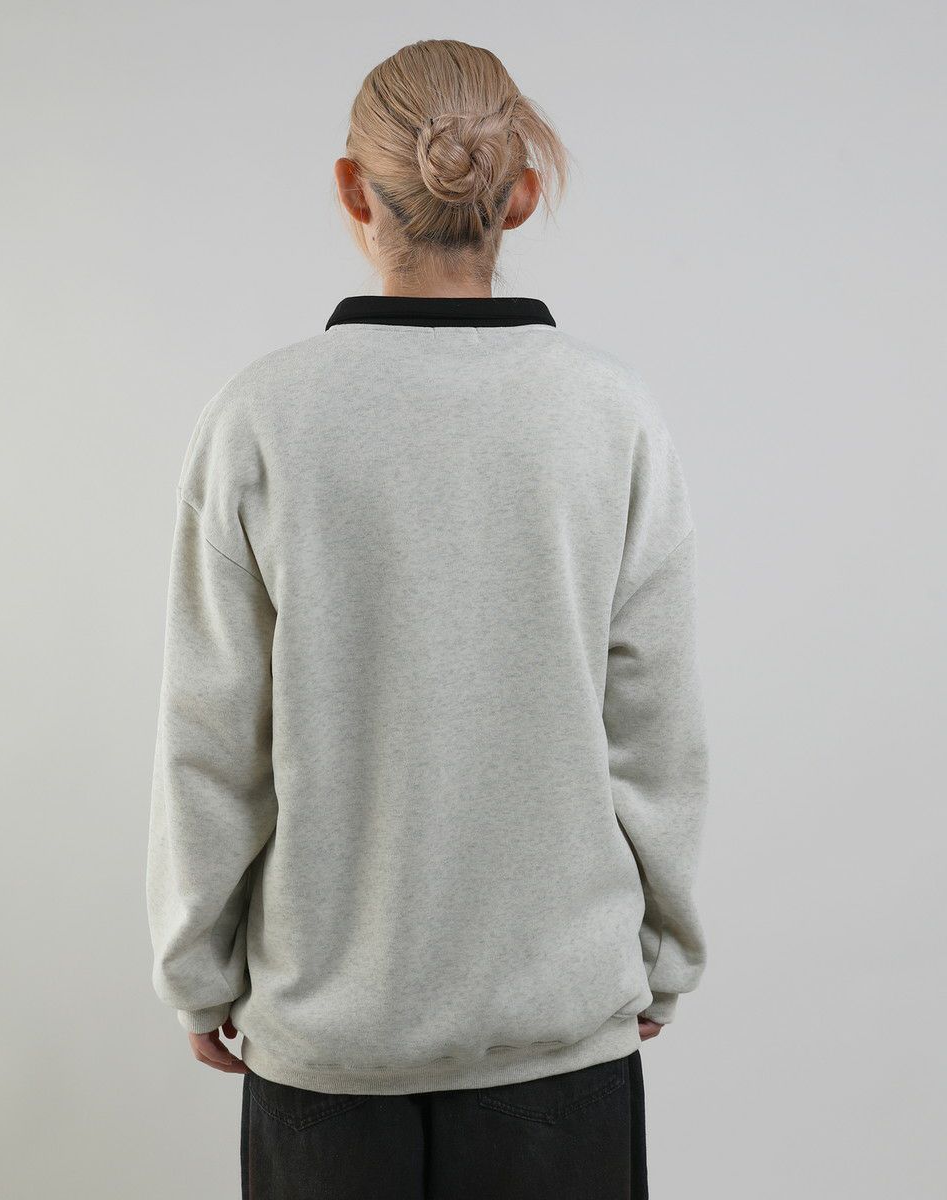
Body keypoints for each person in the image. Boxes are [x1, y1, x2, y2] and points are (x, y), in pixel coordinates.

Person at [146, 37, 710, 1200]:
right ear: (522, 194)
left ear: (353, 191)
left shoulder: (261, 418)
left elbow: (211, 735)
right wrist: (661, 954)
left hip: (326, 1043)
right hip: (560, 1038)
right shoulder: (609, 415)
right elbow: (654, 725)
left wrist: (197, 967)